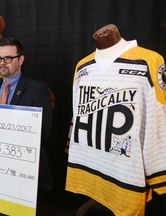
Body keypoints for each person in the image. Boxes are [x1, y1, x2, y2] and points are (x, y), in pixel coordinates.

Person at [65, 24, 166, 216]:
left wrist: (157, 171)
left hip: (126, 173)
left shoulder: (148, 61)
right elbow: (77, 112)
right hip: (91, 163)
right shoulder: (83, 66)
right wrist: (73, 145)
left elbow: (159, 117)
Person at [0, 37, 53, 190]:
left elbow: (43, 131)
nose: (2, 63)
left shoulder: (37, 90)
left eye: (8, 58)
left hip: (21, 168)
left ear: (20, 60)